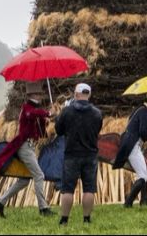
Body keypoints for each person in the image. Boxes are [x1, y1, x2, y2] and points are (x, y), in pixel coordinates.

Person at [0, 81, 54, 218]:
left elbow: (36, 118)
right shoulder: (27, 108)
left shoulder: (33, 108)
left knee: (24, 179)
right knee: (39, 175)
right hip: (25, 147)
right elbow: (32, 114)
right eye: (39, 93)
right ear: (33, 94)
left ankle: (0, 202)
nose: (41, 95)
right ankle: (43, 208)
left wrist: (47, 117)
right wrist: (48, 113)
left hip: (29, 147)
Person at [55, 83, 103, 225]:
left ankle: (64, 219)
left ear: (76, 95)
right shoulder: (97, 113)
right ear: (89, 95)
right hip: (90, 155)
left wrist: (59, 116)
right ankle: (86, 219)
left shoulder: (67, 111)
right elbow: (98, 130)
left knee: (68, 189)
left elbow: (58, 130)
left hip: (71, 155)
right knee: (89, 188)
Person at [113, 95, 147, 207]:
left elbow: (135, 124)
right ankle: (128, 203)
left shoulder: (139, 109)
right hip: (132, 145)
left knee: (145, 173)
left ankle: (143, 200)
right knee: (143, 176)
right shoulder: (145, 111)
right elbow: (143, 131)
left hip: (130, 144)